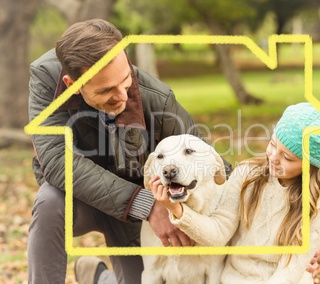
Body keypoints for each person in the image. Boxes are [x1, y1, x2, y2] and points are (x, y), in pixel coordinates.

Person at [27, 19, 231, 284]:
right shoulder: (45, 78)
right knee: (50, 200)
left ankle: (98, 278)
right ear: (72, 84)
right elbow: (56, 161)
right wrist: (146, 205)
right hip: (86, 202)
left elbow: (205, 159)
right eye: (106, 90)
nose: (122, 95)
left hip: (133, 216)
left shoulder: (159, 98)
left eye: (125, 80)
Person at [150, 102, 320, 283]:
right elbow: (219, 233)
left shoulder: (318, 203)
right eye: (273, 144)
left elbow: (290, 271)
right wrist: (176, 210)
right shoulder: (247, 175)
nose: (273, 158)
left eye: (287, 157)